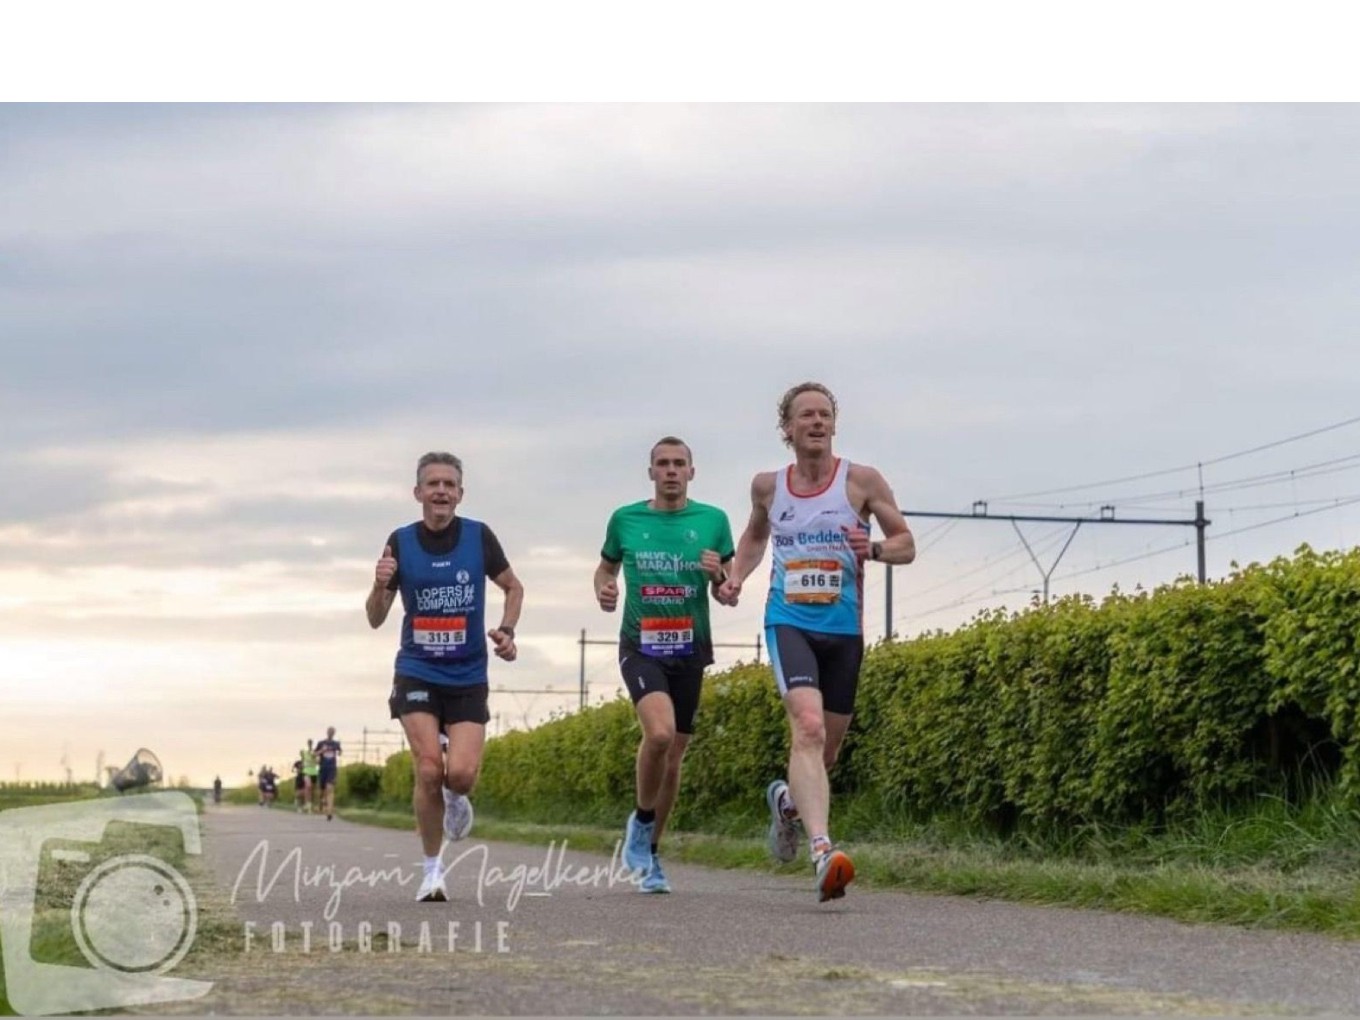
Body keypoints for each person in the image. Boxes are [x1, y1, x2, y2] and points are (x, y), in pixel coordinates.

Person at [719, 382, 915, 902]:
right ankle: (823, 851)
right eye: (805, 415)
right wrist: (736, 575)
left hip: (843, 631)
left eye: (824, 414)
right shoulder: (767, 486)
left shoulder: (862, 481)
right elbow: (756, 536)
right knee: (805, 726)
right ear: (787, 428)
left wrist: (871, 548)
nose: (816, 422)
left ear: (834, 424)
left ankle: (786, 805)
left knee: (824, 752)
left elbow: (906, 545)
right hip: (790, 623)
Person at [366, 451, 524, 903]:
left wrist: (508, 631)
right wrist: (380, 585)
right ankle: (432, 872)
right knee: (429, 767)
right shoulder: (399, 542)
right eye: (432, 483)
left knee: (461, 775)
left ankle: (458, 798)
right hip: (416, 669)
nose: (440, 491)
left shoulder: (479, 537)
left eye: (448, 484)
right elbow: (376, 618)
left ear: (459, 493)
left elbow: (514, 586)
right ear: (418, 492)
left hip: (468, 672)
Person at [594, 436, 737, 895]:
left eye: (679, 464)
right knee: (658, 734)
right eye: (663, 464)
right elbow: (605, 568)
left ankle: (650, 853)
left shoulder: (713, 521)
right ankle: (640, 821)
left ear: (692, 472)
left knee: (675, 755)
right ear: (651, 472)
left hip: (690, 647)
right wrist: (604, 589)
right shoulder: (626, 519)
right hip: (640, 645)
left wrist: (719, 576)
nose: (671, 471)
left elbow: (728, 589)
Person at [315, 726, 343, 820]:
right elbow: (314, 754)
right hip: (323, 769)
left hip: (332, 769)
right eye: (329, 731)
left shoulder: (336, 744)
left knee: (330, 789)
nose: (331, 733)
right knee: (322, 791)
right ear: (327, 732)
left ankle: (329, 811)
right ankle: (321, 803)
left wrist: (339, 752)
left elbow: (340, 752)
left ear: (334, 733)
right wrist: (321, 751)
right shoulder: (321, 743)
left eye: (333, 731)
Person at [300, 739, 320, 813]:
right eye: (309, 743)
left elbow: (318, 761)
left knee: (313, 790)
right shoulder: (304, 752)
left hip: (314, 772)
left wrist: (316, 757)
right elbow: (302, 760)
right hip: (306, 772)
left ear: (312, 744)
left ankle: (311, 804)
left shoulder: (315, 752)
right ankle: (308, 804)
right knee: (308, 787)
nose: (310, 744)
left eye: (311, 743)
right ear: (307, 744)